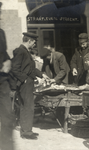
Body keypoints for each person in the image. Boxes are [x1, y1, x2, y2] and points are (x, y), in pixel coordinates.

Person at [11, 32, 49, 140]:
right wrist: (25, 79)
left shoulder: (25, 52)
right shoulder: (21, 51)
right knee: (28, 107)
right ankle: (26, 132)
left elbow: (31, 69)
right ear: (29, 41)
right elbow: (15, 69)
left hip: (27, 83)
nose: (34, 44)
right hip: (25, 84)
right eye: (34, 42)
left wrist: (42, 75)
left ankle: (26, 130)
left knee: (26, 107)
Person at [0, 2, 15, 149]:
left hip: (2, 80)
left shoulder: (1, 33)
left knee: (8, 118)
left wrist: (8, 61)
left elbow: (4, 54)